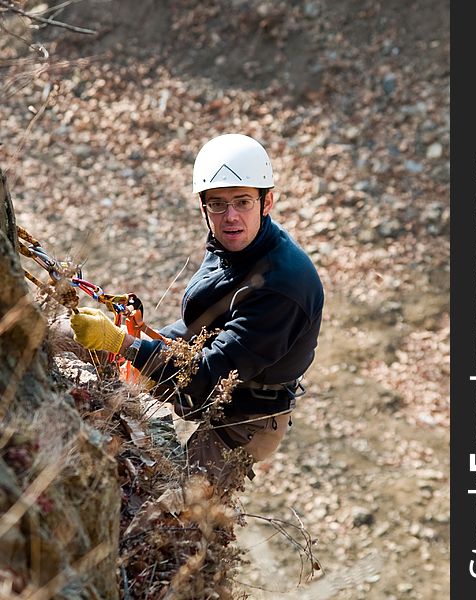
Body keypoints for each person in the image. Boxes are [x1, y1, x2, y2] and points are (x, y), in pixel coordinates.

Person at [70, 133, 324, 489]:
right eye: (217, 204)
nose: (230, 216)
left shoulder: (283, 285)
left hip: (245, 419)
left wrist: (123, 343)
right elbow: (202, 325)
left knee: (178, 512)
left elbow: (212, 372)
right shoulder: (234, 244)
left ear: (267, 203)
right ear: (203, 207)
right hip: (208, 374)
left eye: (242, 202)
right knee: (67, 339)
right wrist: (143, 344)